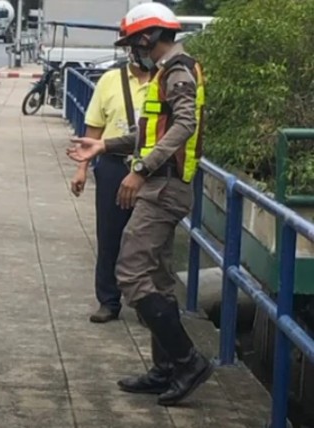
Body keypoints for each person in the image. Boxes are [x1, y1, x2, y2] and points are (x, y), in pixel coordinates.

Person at [68, 2, 212, 406]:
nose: (133, 49)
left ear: (148, 37)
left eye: (134, 41)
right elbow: (152, 130)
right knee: (160, 277)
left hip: (163, 187)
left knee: (131, 272)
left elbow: (184, 125)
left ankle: (187, 362)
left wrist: (141, 170)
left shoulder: (177, 70)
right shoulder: (170, 70)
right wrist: (105, 145)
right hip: (162, 183)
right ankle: (165, 368)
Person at [67, 26, 150, 324]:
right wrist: (81, 168)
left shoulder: (165, 82)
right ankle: (109, 300)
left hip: (152, 169)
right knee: (110, 235)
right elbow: (94, 129)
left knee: (148, 240)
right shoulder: (110, 81)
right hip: (114, 166)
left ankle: (146, 304)